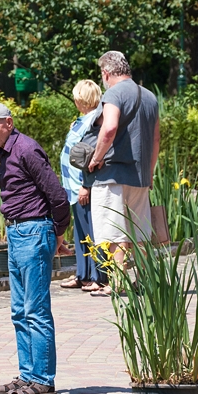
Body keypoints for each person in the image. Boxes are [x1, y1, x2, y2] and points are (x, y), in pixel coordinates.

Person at [0, 102, 71, 394]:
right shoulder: (6, 152)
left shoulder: (27, 149)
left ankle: (42, 380)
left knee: (36, 310)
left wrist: (57, 233)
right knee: (19, 311)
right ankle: (28, 375)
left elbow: (57, 196)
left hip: (33, 231)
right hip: (16, 232)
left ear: (8, 123)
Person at [83, 50, 160, 297]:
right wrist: (149, 173)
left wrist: (96, 158)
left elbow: (110, 127)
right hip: (139, 176)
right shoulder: (150, 96)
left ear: (106, 73)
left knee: (114, 231)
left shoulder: (113, 94)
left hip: (112, 174)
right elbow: (156, 139)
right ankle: (144, 279)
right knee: (139, 232)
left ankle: (117, 283)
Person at [58, 79, 107, 293]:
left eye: (77, 97)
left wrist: (85, 185)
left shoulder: (93, 122)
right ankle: (83, 274)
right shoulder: (81, 120)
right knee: (80, 232)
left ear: (83, 99)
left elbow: (88, 154)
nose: (75, 101)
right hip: (73, 186)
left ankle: (99, 275)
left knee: (91, 231)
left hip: (82, 186)